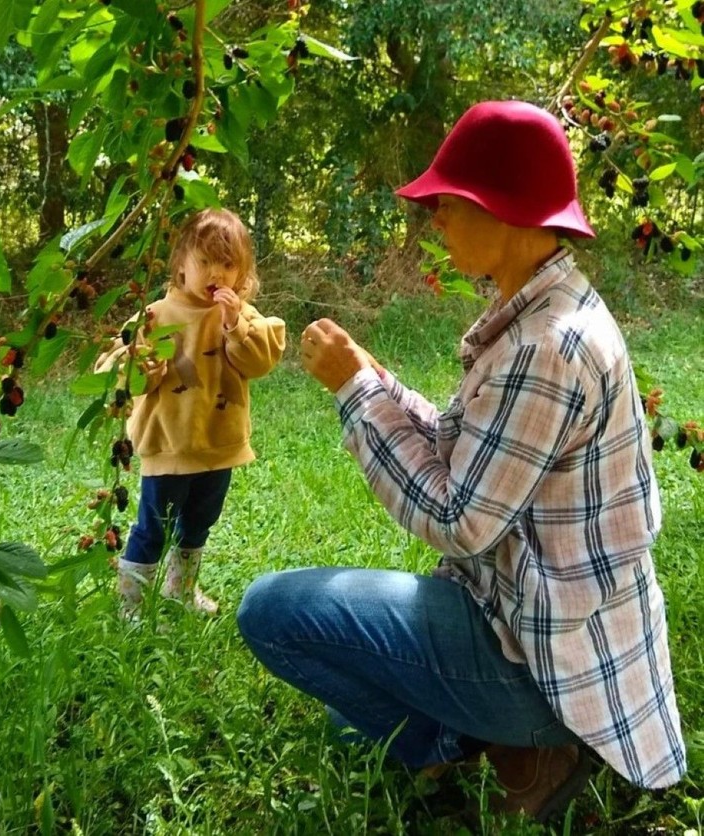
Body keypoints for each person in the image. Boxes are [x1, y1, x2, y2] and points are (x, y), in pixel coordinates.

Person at [237, 101, 686, 821]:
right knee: (346, 718)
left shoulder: (548, 349)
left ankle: (506, 743)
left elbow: (457, 516)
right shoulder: (544, 316)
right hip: (529, 624)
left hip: (546, 670)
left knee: (273, 612)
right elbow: (463, 446)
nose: (435, 220)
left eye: (448, 204)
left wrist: (354, 392)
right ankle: (473, 735)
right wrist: (375, 379)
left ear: (504, 213)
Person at [97, 208, 286, 618]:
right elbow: (112, 364)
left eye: (227, 263)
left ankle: (180, 589)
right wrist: (139, 367)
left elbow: (260, 361)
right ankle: (131, 602)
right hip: (169, 443)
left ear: (242, 273)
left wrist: (235, 324)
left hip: (218, 444)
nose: (215, 273)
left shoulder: (241, 316)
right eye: (204, 261)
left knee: (198, 522)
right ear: (181, 263)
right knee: (154, 526)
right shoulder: (156, 316)